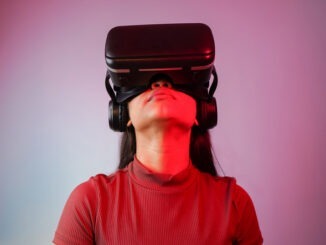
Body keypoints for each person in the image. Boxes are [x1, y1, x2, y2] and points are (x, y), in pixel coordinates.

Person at [53, 24, 263, 244]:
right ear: (124, 114)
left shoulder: (235, 204)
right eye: (147, 83)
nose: (161, 83)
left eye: (174, 82)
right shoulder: (89, 203)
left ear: (200, 113)